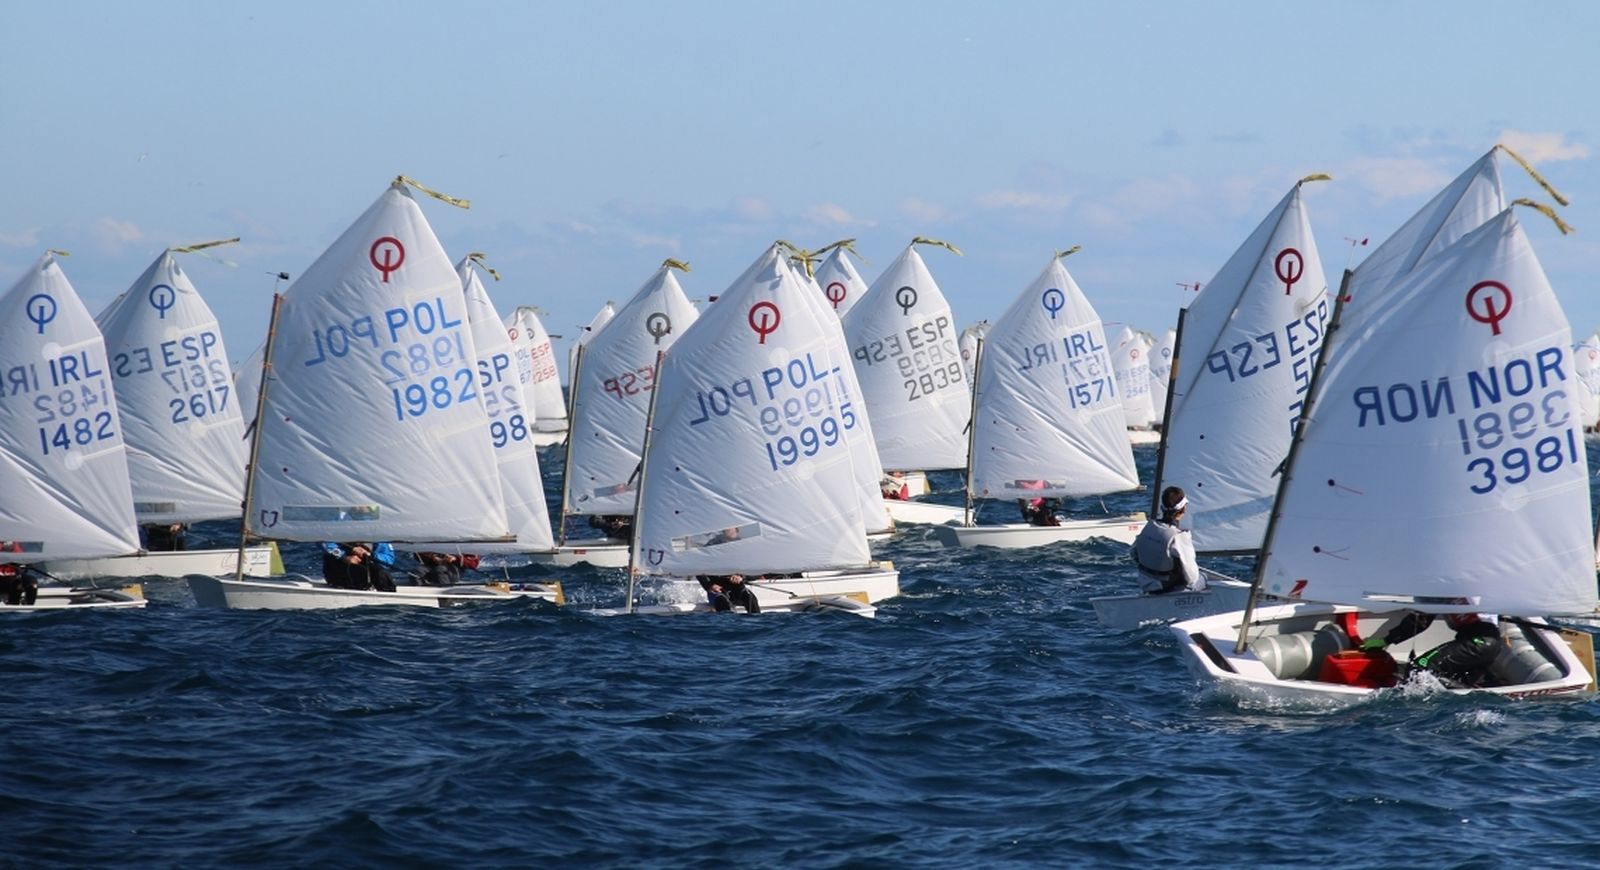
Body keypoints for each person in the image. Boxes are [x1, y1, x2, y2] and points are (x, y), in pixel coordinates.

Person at [1359, 612, 1504, 688]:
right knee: (1457, 680)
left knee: (1418, 669)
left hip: (1477, 641)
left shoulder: (1442, 587)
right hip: (1491, 642)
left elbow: (1419, 621)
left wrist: (1386, 640)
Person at [1129, 486, 1202, 593]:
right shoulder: (1179, 536)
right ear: (1183, 509)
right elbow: (1191, 577)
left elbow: (1133, 553)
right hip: (1166, 586)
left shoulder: (1149, 526)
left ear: (1162, 508)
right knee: (1202, 578)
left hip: (1145, 582)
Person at [321, 542, 397, 592]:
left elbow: (388, 559)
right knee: (359, 571)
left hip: (366, 563)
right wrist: (344, 557)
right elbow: (327, 544)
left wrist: (370, 555)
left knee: (381, 573)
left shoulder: (379, 533)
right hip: (339, 564)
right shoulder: (340, 524)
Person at [697, 573, 761, 613]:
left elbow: (756, 573)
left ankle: (757, 625)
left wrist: (742, 577)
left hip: (737, 588)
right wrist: (709, 585)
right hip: (717, 590)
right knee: (722, 601)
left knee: (750, 597)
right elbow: (698, 569)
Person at [0, 541, 38, 606]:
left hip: (14, 577)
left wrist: (27, 563)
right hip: (3, 580)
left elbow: (22, 558)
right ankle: (13, 608)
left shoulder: (14, 544)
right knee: (16, 584)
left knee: (32, 583)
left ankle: (29, 606)